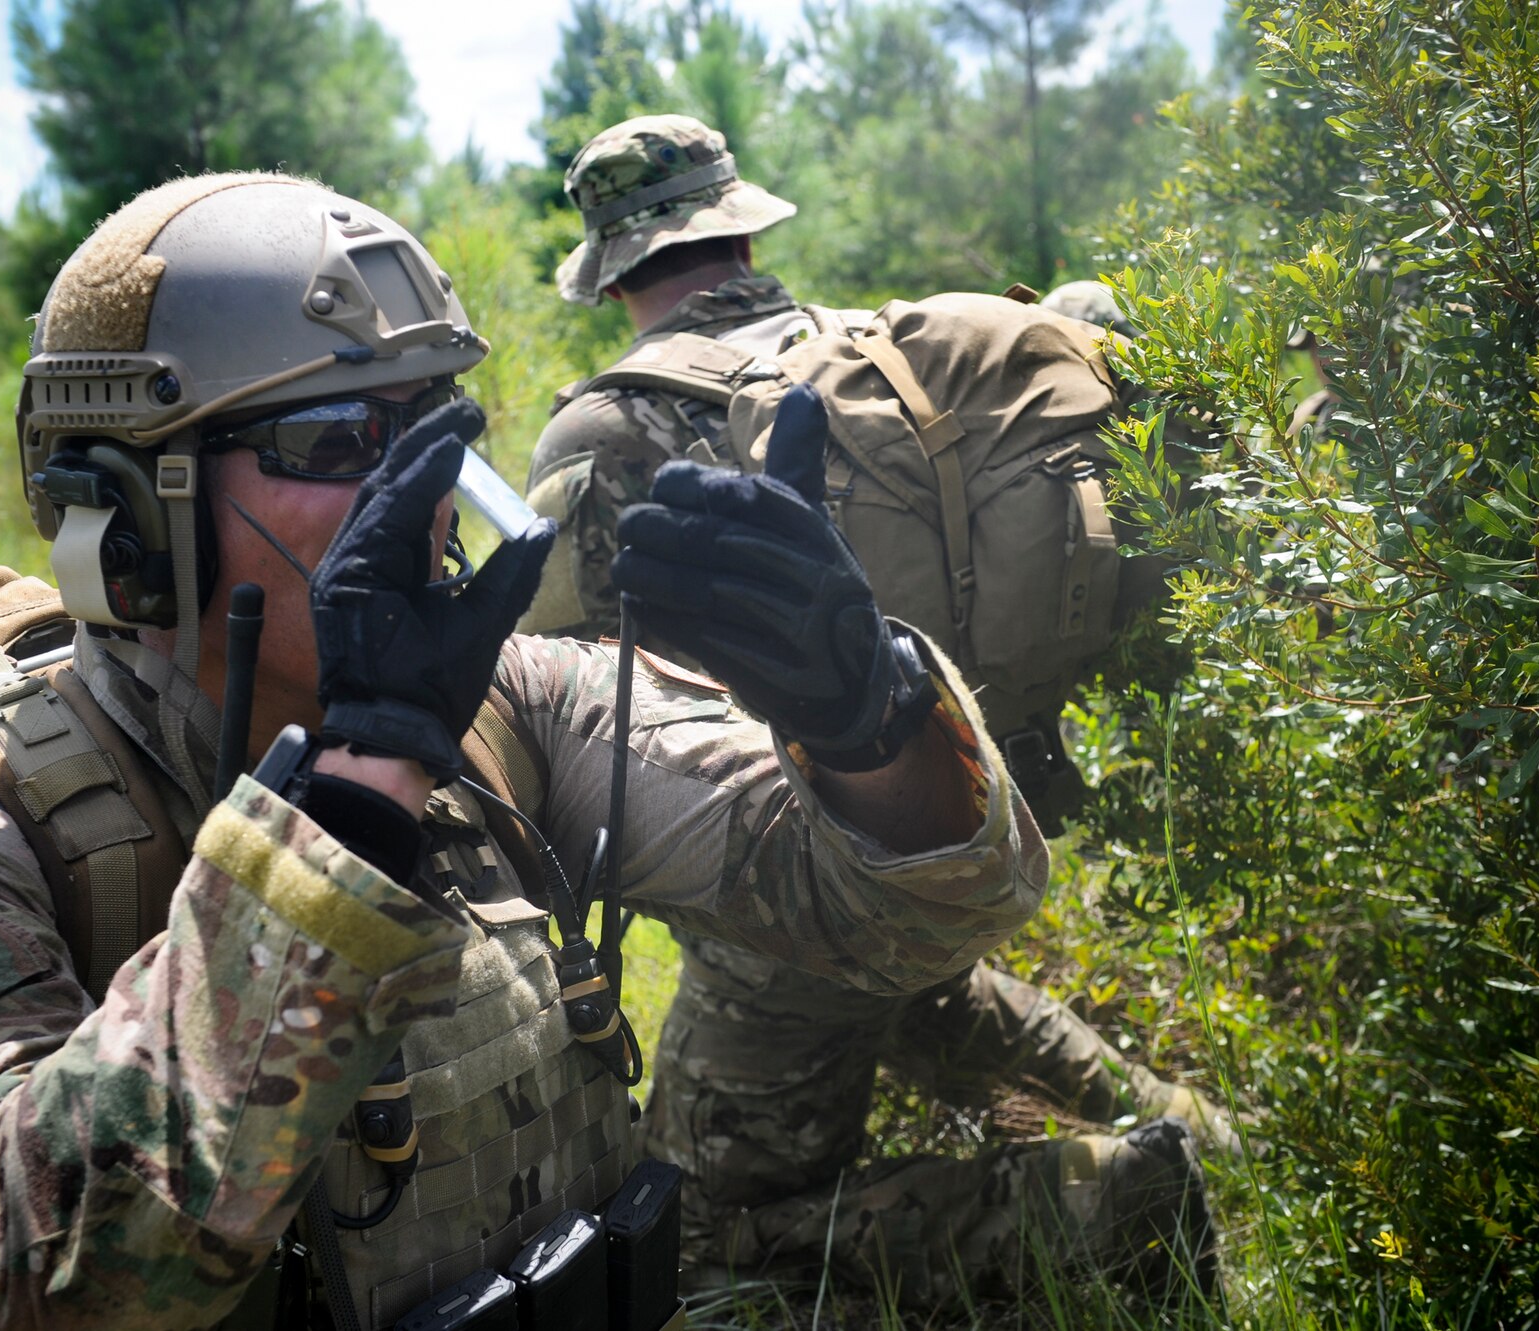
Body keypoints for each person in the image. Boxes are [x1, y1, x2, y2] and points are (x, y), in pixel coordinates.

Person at [0, 172, 1092, 1329]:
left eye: (430, 423)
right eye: (337, 439)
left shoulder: (515, 708)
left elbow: (922, 915)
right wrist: (353, 802)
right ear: (126, 513)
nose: (421, 486)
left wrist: (861, 711)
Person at [524, 115, 1229, 1304]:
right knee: (912, 977)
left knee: (689, 1247)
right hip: (965, 807)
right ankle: (1195, 1123)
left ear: (611, 272)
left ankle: (1117, 1200)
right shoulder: (844, 349)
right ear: (740, 227)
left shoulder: (604, 432)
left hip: (793, 879)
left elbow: (554, 704)